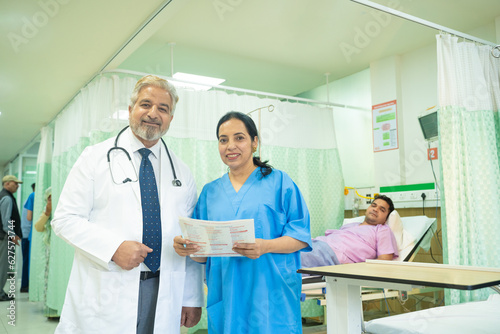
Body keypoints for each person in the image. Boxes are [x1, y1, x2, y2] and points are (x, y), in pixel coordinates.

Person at [51, 75, 203, 333]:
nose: (153, 114)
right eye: (146, 105)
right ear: (131, 110)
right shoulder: (94, 158)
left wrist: (191, 298)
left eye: (163, 109)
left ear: (170, 119)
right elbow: (65, 219)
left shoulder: (182, 172)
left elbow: (190, 237)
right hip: (108, 285)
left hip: (163, 288)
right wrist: (113, 248)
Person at [173, 111, 312, 334]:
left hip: (270, 290)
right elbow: (201, 253)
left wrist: (265, 246)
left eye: (239, 138)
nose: (230, 146)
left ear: (254, 142)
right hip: (227, 291)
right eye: (223, 139)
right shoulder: (210, 192)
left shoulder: (280, 182)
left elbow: (300, 236)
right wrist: (187, 248)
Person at [301, 195, 399, 269]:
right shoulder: (351, 225)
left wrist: (355, 269)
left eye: (382, 210)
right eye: (373, 205)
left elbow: (385, 260)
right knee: (290, 246)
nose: (375, 209)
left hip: (331, 256)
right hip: (317, 245)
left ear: (385, 219)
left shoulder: (382, 229)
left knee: (292, 255)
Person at [33, 187, 59, 318]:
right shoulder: (46, 210)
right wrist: (47, 213)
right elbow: (38, 227)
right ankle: (52, 307)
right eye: (49, 198)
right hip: (51, 247)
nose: (51, 200)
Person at [0, 175, 23, 302]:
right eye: (15, 183)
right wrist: (13, 235)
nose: (18, 186)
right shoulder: (7, 198)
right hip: (4, 238)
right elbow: (6, 221)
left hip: (3, 237)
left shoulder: (4, 196)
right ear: (7, 184)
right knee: (3, 266)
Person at [20, 182, 35, 293]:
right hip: (27, 235)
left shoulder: (28, 200)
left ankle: (25, 285)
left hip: (26, 234)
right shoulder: (32, 198)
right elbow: (28, 218)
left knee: (26, 261)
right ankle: (25, 285)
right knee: (27, 261)